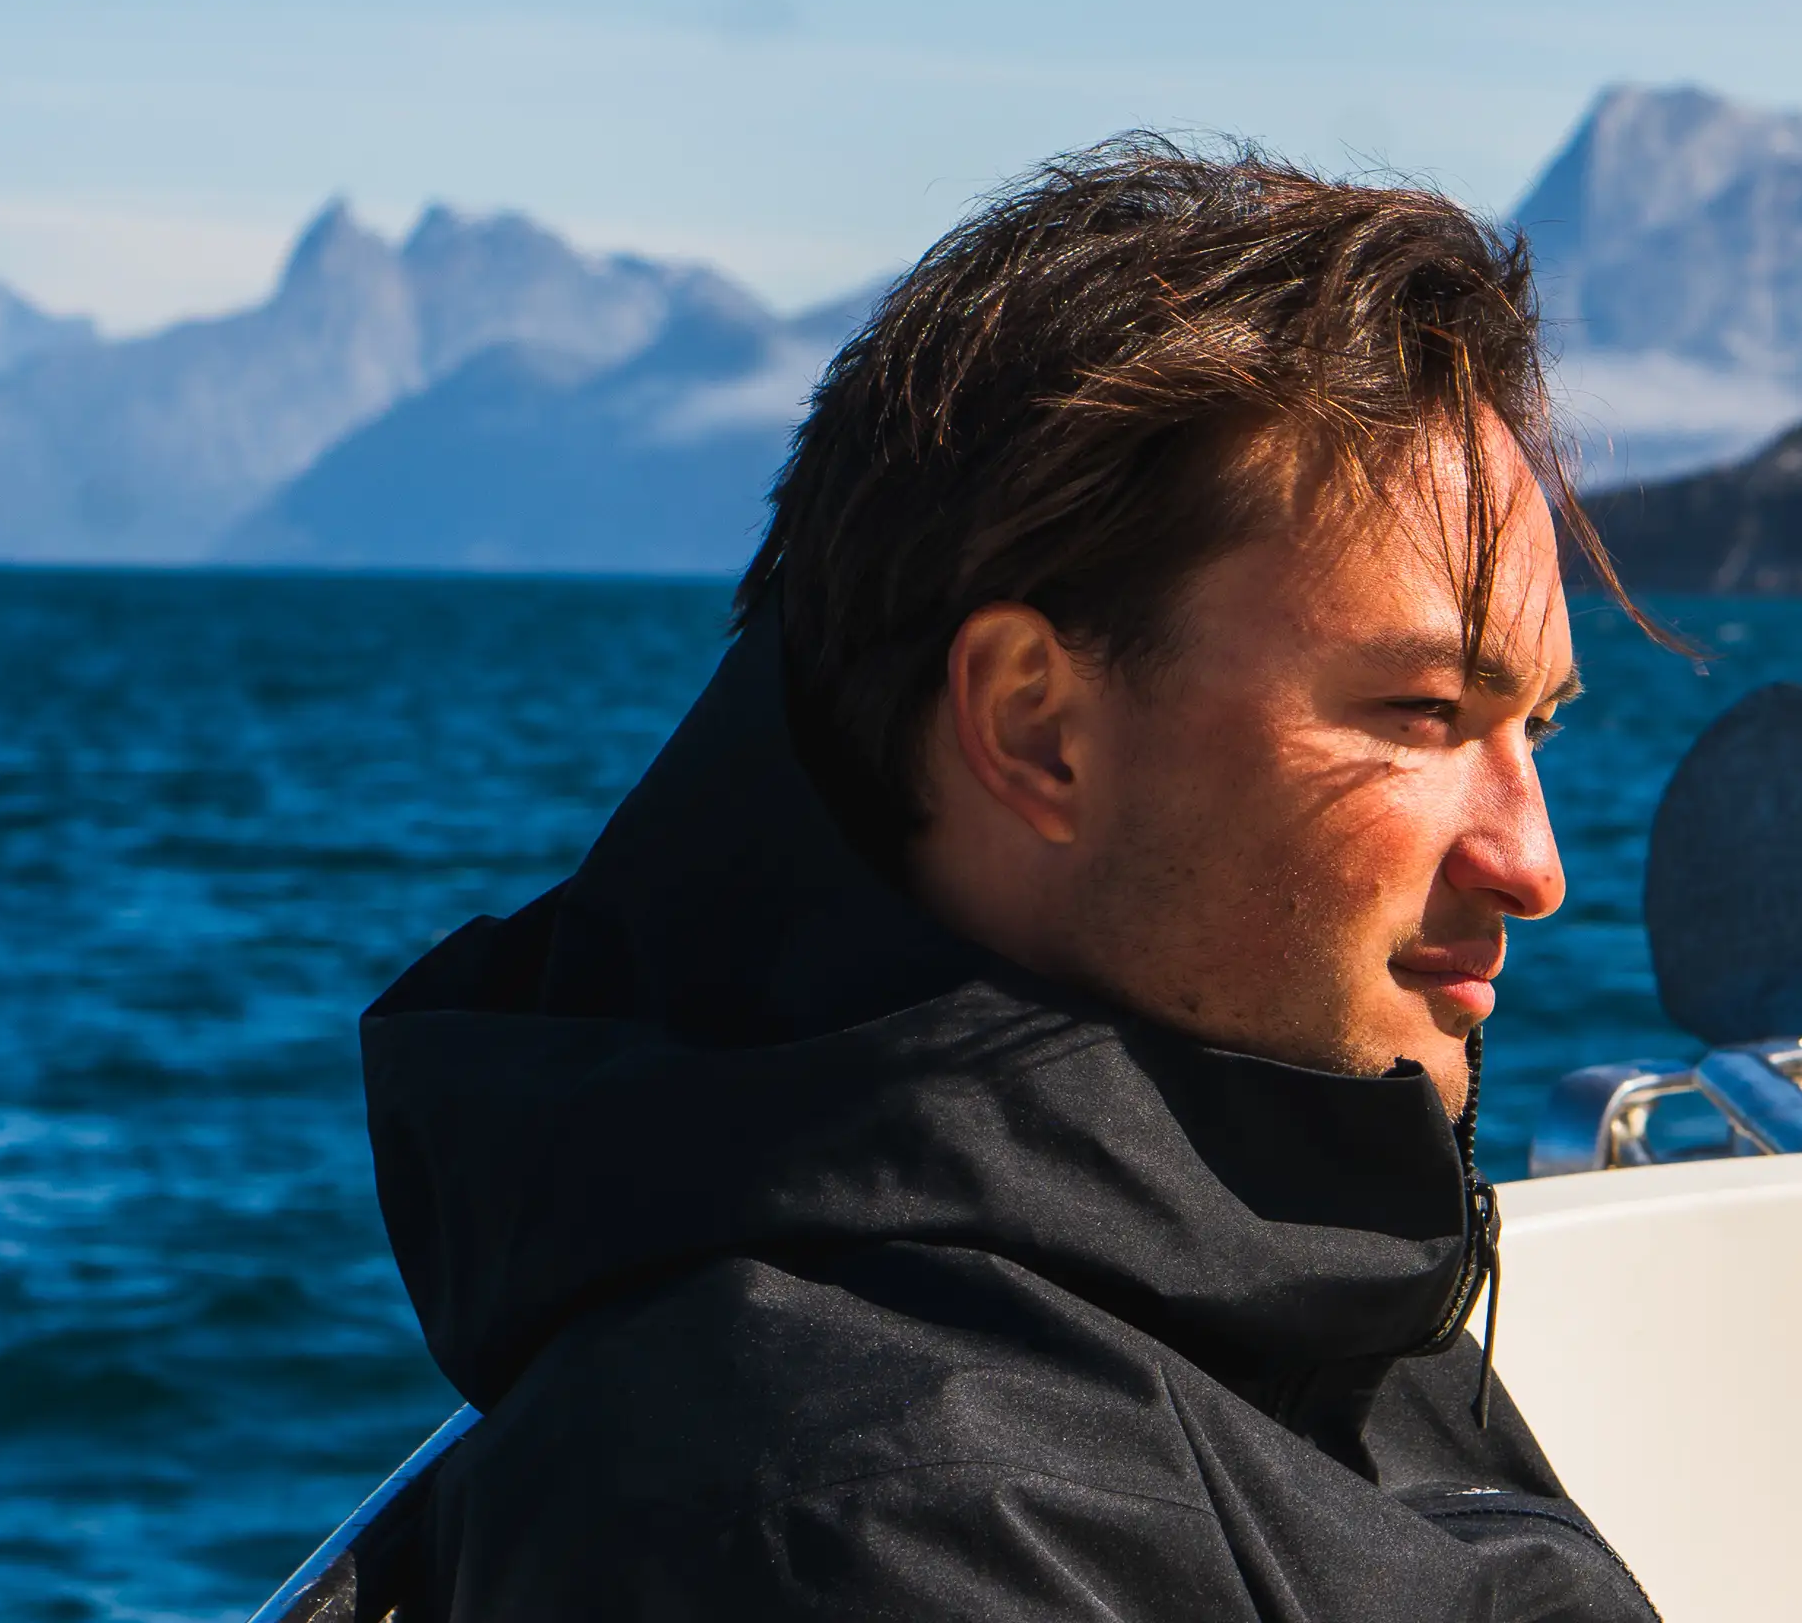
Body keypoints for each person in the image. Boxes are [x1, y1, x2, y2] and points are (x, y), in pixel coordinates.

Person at [360, 141, 1669, 1619]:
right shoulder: (859, 1514)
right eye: (1424, 716)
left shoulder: (1276, 1253)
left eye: (1533, 728)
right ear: (1036, 725)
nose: (1536, 862)